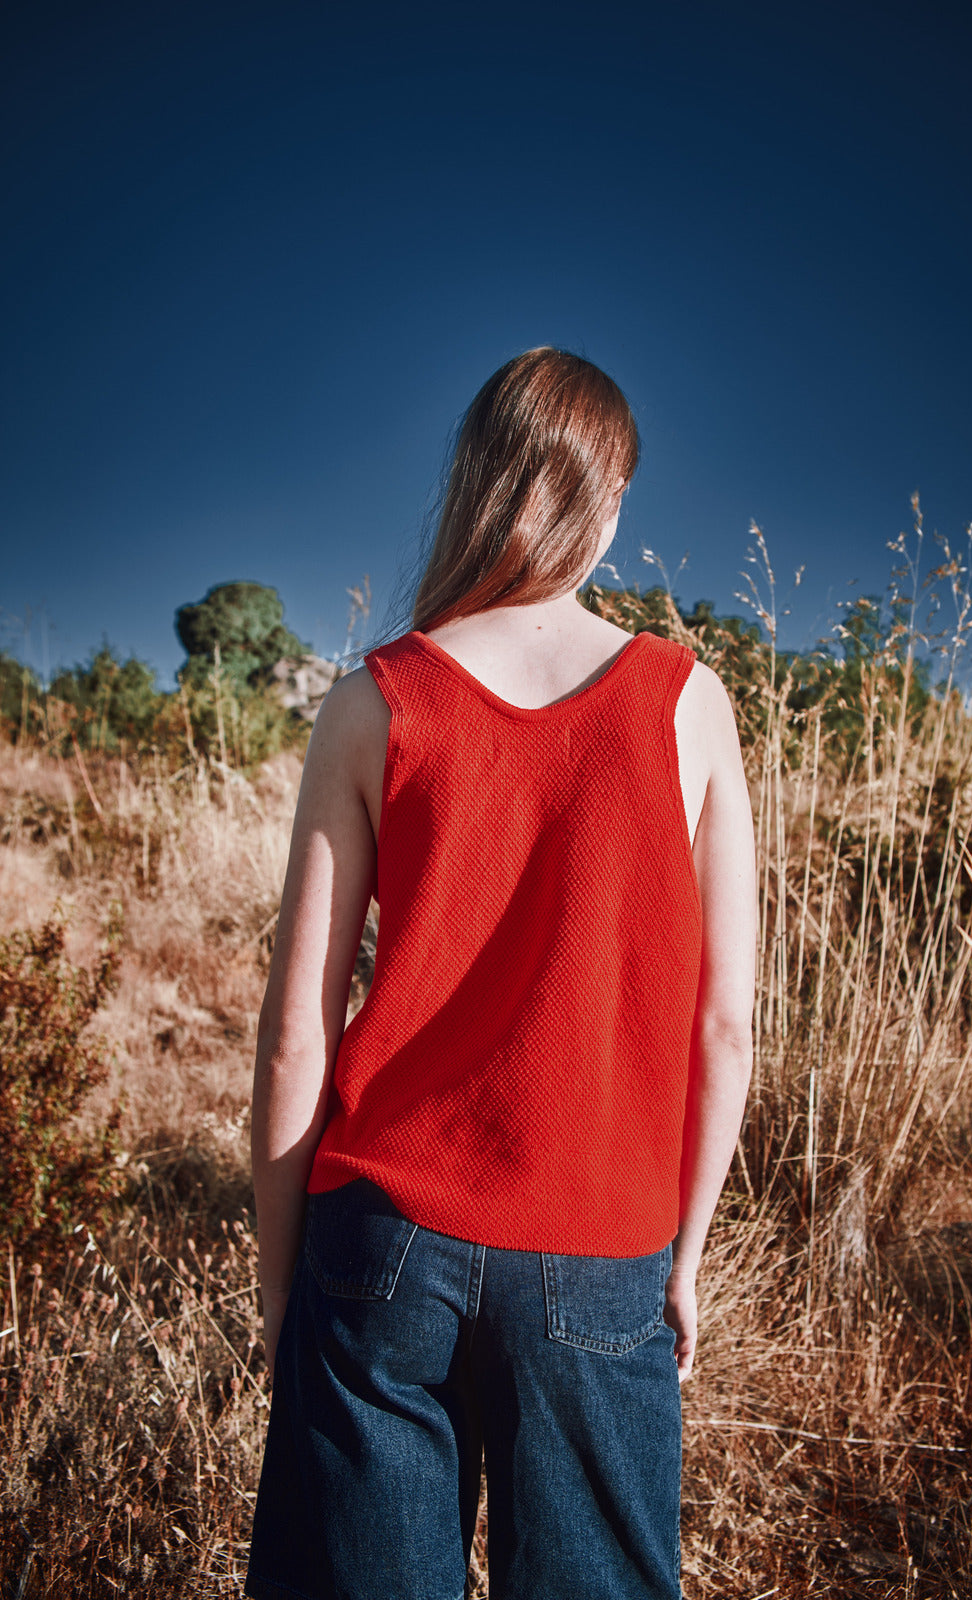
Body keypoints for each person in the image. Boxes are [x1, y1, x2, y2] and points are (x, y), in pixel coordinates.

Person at [244, 347, 756, 1600]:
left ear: (478, 477)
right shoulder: (687, 702)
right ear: (606, 494)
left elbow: (297, 1032)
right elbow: (724, 1026)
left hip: (380, 1246)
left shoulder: (375, 698)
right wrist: (680, 1262)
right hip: (598, 1252)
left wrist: (280, 1289)